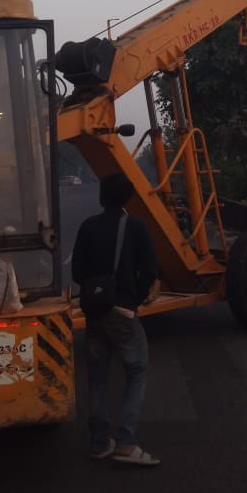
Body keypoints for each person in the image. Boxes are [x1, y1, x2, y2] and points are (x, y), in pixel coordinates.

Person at [72, 172, 160, 466]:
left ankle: (99, 443)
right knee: (137, 370)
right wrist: (132, 300)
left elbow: (77, 274)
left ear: (101, 196)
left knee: (97, 379)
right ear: (128, 198)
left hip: (94, 312)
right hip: (122, 311)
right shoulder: (134, 227)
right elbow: (149, 271)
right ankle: (126, 442)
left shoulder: (87, 227)